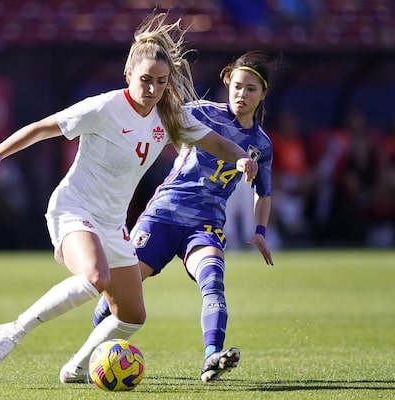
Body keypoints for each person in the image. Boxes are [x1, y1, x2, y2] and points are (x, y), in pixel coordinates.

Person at [0, 12, 258, 384]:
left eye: (161, 81)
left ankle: (76, 368)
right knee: (95, 277)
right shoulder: (104, 107)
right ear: (129, 74)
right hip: (74, 207)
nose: (153, 89)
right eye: (146, 80)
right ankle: (12, 331)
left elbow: (216, 143)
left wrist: (241, 157)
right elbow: (41, 128)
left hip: (112, 223)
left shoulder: (170, 116)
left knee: (132, 316)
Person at [92, 51, 275, 383]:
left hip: (205, 225)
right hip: (164, 215)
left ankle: (211, 358)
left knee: (213, 282)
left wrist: (260, 230)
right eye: (237, 86)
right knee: (120, 289)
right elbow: (159, 114)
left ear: (263, 94)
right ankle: (95, 354)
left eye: (250, 89)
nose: (241, 94)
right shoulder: (203, 113)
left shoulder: (261, 145)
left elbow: (263, 192)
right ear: (227, 83)